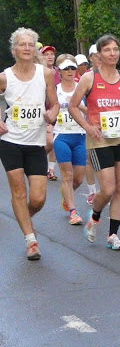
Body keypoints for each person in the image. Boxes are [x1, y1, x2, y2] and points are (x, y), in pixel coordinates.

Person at [68, 34, 120, 250]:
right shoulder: (89, 78)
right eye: (107, 50)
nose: (113, 53)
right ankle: (95, 216)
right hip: (100, 139)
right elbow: (73, 106)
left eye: (115, 49)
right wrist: (88, 127)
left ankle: (113, 235)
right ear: (99, 54)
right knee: (109, 188)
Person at [0, 27, 59, 260]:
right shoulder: (4, 77)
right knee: (17, 190)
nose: (26, 48)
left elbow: (54, 104)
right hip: (10, 141)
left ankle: (23, 218)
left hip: (35, 143)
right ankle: (30, 240)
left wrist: (52, 114)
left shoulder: (44, 74)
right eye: (21, 44)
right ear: (13, 50)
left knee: (37, 198)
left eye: (30, 44)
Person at [53, 54, 87, 225]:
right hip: (61, 136)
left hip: (80, 136)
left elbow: (90, 111)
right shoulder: (54, 90)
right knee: (67, 175)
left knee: (78, 179)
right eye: (66, 68)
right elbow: (49, 111)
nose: (70, 71)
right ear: (59, 72)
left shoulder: (82, 88)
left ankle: (67, 195)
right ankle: (73, 211)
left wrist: (77, 104)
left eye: (73, 68)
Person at [84, 44, 101, 205]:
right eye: (96, 55)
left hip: (110, 124)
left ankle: (116, 190)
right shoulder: (87, 77)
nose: (99, 58)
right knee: (89, 158)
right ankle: (91, 191)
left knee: (114, 158)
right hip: (90, 123)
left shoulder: (113, 75)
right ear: (91, 58)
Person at [41, 44, 59, 180]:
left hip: (58, 110)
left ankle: (50, 169)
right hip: (43, 112)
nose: (50, 56)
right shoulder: (39, 72)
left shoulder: (60, 71)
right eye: (46, 54)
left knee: (54, 141)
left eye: (52, 54)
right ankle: (38, 159)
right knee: (49, 142)